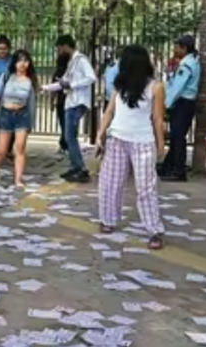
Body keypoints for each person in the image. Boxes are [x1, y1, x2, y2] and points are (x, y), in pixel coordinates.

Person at [95, 45, 167, 250]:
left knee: (146, 187)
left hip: (143, 142)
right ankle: (108, 219)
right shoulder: (120, 85)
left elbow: (158, 118)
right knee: (110, 182)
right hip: (117, 138)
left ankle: (154, 229)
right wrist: (101, 134)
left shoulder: (155, 87)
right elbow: (109, 112)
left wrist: (160, 146)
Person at [0, 49, 38, 187]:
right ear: (14, 62)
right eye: (20, 60)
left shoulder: (30, 81)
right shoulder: (7, 76)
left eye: (26, 61)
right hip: (6, 114)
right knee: (2, 149)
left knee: (19, 149)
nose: (23, 64)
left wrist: (31, 123)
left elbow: (32, 103)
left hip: (22, 115)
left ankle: (18, 179)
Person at [55, 35, 97, 183]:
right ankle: (75, 166)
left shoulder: (81, 60)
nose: (59, 51)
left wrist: (72, 85)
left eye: (60, 48)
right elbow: (63, 82)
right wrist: (45, 88)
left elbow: (91, 77)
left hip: (77, 102)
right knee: (69, 136)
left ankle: (81, 168)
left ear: (65, 46)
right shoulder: (72, 62)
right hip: (70, 102)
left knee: (70, 136)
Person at [160, 35, 201, 182]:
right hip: (186, 103)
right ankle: (168, 166)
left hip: (183, 103)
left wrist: (166, 104)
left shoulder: (186, 65)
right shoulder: (191, 62)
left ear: (184, 48)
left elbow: (177, 88)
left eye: (177, 46)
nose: (174, 49)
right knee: (177, 137)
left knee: (178, 138)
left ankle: (178, 171)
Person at [52, 52, 72, 155]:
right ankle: (65, 144)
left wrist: (52, 102)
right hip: (68, 101)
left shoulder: (58, 73)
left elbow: (53, 89)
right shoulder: (69, 72)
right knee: (66, 124)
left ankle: (64, 144)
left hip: (61, 102)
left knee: (63, 124)